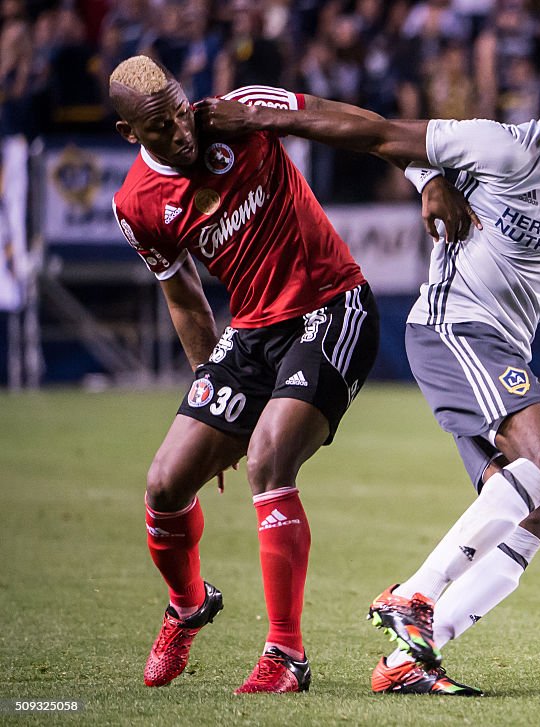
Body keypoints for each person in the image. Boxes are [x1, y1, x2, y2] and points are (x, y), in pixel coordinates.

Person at [198, 47, 540, 696]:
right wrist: (265, 117)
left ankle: (409, 659)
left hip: (502, 347)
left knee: (538, 509)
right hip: (454, 330)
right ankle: (414, 596)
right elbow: (379, 134)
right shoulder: (501, 147)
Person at [109, 55, 474, 694]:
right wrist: (211, 395)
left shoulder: (239, 111)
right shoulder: (136, 205)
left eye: (179, 109)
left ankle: (286, 656)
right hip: (251, 332)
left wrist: (424, 177)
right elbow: (186, 298)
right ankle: (189, 606)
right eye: (161, 127)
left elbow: (352, 125)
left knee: (268, 461)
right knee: (165, 484)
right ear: (130, 135)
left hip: (333, 307)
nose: (183, 130)